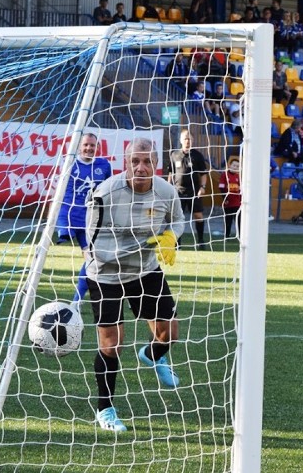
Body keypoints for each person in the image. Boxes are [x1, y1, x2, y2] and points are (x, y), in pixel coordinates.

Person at [85, 138, 185, 432]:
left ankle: (153, 356)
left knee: (171, 333)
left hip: (146, 269)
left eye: (147, 162)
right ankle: (105, 410)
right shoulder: (105, 193)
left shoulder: (166, 191)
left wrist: (171, 238)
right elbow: (90, 242)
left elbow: (178, 220)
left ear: (156, 164)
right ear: (125, 163)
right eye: (135, 162)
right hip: (106, 273)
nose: (141, 168)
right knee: (111, 344)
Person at [57, 133, 113, 305]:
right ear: (79, 146)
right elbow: (61, 191)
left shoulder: (104, 165)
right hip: (70, 216)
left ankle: (76, 302)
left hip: (91, 220)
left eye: (92, 145)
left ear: (97, 147)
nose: (89, 148)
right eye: (86, 145)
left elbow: (108, 190)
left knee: (91, 258)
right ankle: (28, 287)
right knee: (44, 250)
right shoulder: (69, 164)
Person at [168, 129, 210, 249]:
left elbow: (203, 174)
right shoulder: (174, 155)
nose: (188, 141)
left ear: (193, 140)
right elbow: (171, 173)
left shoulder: (197, 156)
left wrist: (202, 187)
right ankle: (177, 244)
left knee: (198, 216)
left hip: (194, 191)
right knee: (177, 218)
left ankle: (201, 241)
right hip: (178, 192)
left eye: (190, 138)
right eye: (185, 138)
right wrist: (168, 188)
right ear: (181, 140)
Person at [218, 158, 241, 239]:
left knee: (238, 219)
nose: (235, 167)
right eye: (234, 165)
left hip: (237, 202)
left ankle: (240, 236)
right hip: (228, 202)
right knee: (228, 220)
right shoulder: (225, 175)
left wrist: (241, 199)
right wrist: (225, 198)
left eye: (237, 166)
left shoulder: (238, 176)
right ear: (229, 165)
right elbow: (221, 187)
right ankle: (227, 235)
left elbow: (240, 189)